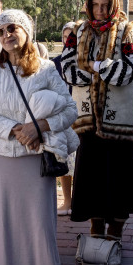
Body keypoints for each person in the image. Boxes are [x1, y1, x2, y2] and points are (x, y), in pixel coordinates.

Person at [0, 9, 76, 265]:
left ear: (26, 32)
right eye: (0, 31)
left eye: (11, 29)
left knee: (38, 224)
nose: (6, 36)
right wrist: (15, 130)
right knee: (4, 225)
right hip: (1, 155)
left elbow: (69, 110)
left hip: (36, 157)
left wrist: (39, 127)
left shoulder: (46, 69)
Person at [61, 0, 133, 237]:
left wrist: (100, 67)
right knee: (92, 178)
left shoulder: (126, 30)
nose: (100, 10)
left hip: (119, 120)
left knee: (120, 178)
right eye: (95, 5)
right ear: (88, 5)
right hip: (87, 119)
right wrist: (94, 72)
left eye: (105, 5)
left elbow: (130, 69)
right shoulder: (77, 31)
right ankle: (96, 226)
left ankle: (117, 229)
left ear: (113, 5)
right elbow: (67, 69)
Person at [52, 20, 77, 215]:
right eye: (66, 36)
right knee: (64, 160)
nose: (69, 40)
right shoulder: (55, 64)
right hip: (62, 117)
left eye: (73, 36)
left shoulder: (86, 61)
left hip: (82, 116)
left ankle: (80, 200)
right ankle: (67, 201)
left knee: (81, 163)